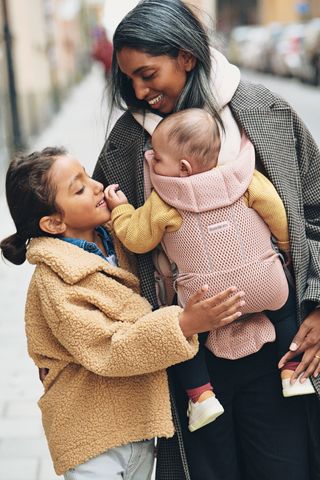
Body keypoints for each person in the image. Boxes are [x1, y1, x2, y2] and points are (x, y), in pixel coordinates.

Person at [92, 1, 320, 479]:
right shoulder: (127, 145)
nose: (139, 90)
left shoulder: (265, 112)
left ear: (187, 58)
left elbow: (313, 214)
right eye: (128, 79)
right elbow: (100, 249)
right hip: (189, 359)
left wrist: (318, 304)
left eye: (149, 74)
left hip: (280, 346)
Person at [0, 147, 244, 479]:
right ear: (54, 222)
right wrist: (183, 323)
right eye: (80, 187)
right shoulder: (54, 280)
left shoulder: (115, 242)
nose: (96, 185)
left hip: (136, 425)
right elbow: (108, 348)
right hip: (90, 432)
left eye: (87, 174)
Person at [104, 106, 315, 432]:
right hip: (264, 281)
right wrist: (287, 251)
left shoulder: (164, 200)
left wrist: (120, 211)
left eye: (157, 158)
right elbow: (278, 214)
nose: (151, 162)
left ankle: (201, 397)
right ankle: (292, 373)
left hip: (203, 294)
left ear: (183, 168)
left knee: (184, 333)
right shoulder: (244, 178)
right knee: (285, 313)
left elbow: (137, 239)